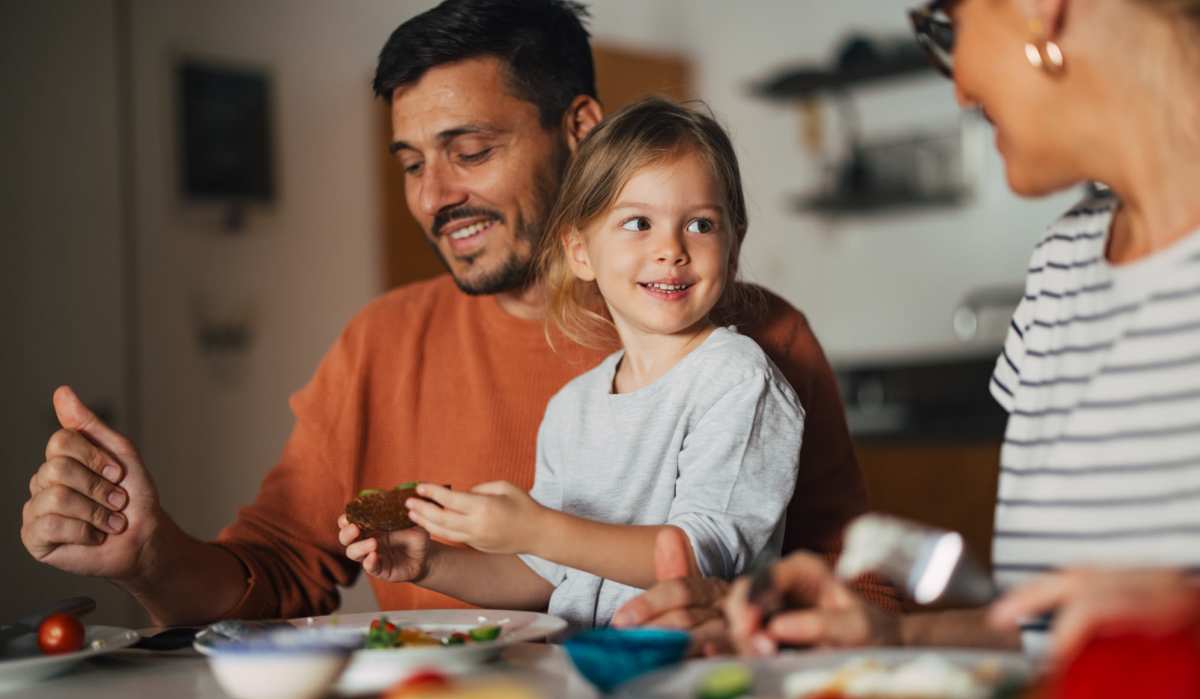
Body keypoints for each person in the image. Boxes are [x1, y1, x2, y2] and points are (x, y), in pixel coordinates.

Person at [20, 0, 883, 626]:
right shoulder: (382, 346)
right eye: (409, 164)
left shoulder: (757, 341)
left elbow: (861, 588)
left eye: (471, 150)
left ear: (580, 128)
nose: (435, 196)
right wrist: (148, 554)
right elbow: (275, 573)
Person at [720, 0, 1200, 661]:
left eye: (949, 29)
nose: (961, 88)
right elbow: (1045, 633)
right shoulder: (1064, 264)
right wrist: (893, 633)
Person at [338, 98, 803, 630]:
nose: (671, 248)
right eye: (638, 223)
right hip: (584, 672)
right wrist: (432, 563)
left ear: (734, 242)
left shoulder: (737, 377)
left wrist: (537, 529)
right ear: (580, 252)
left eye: (700, 225)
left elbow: (703, 557)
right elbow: (549, 574)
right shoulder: (572, 406)